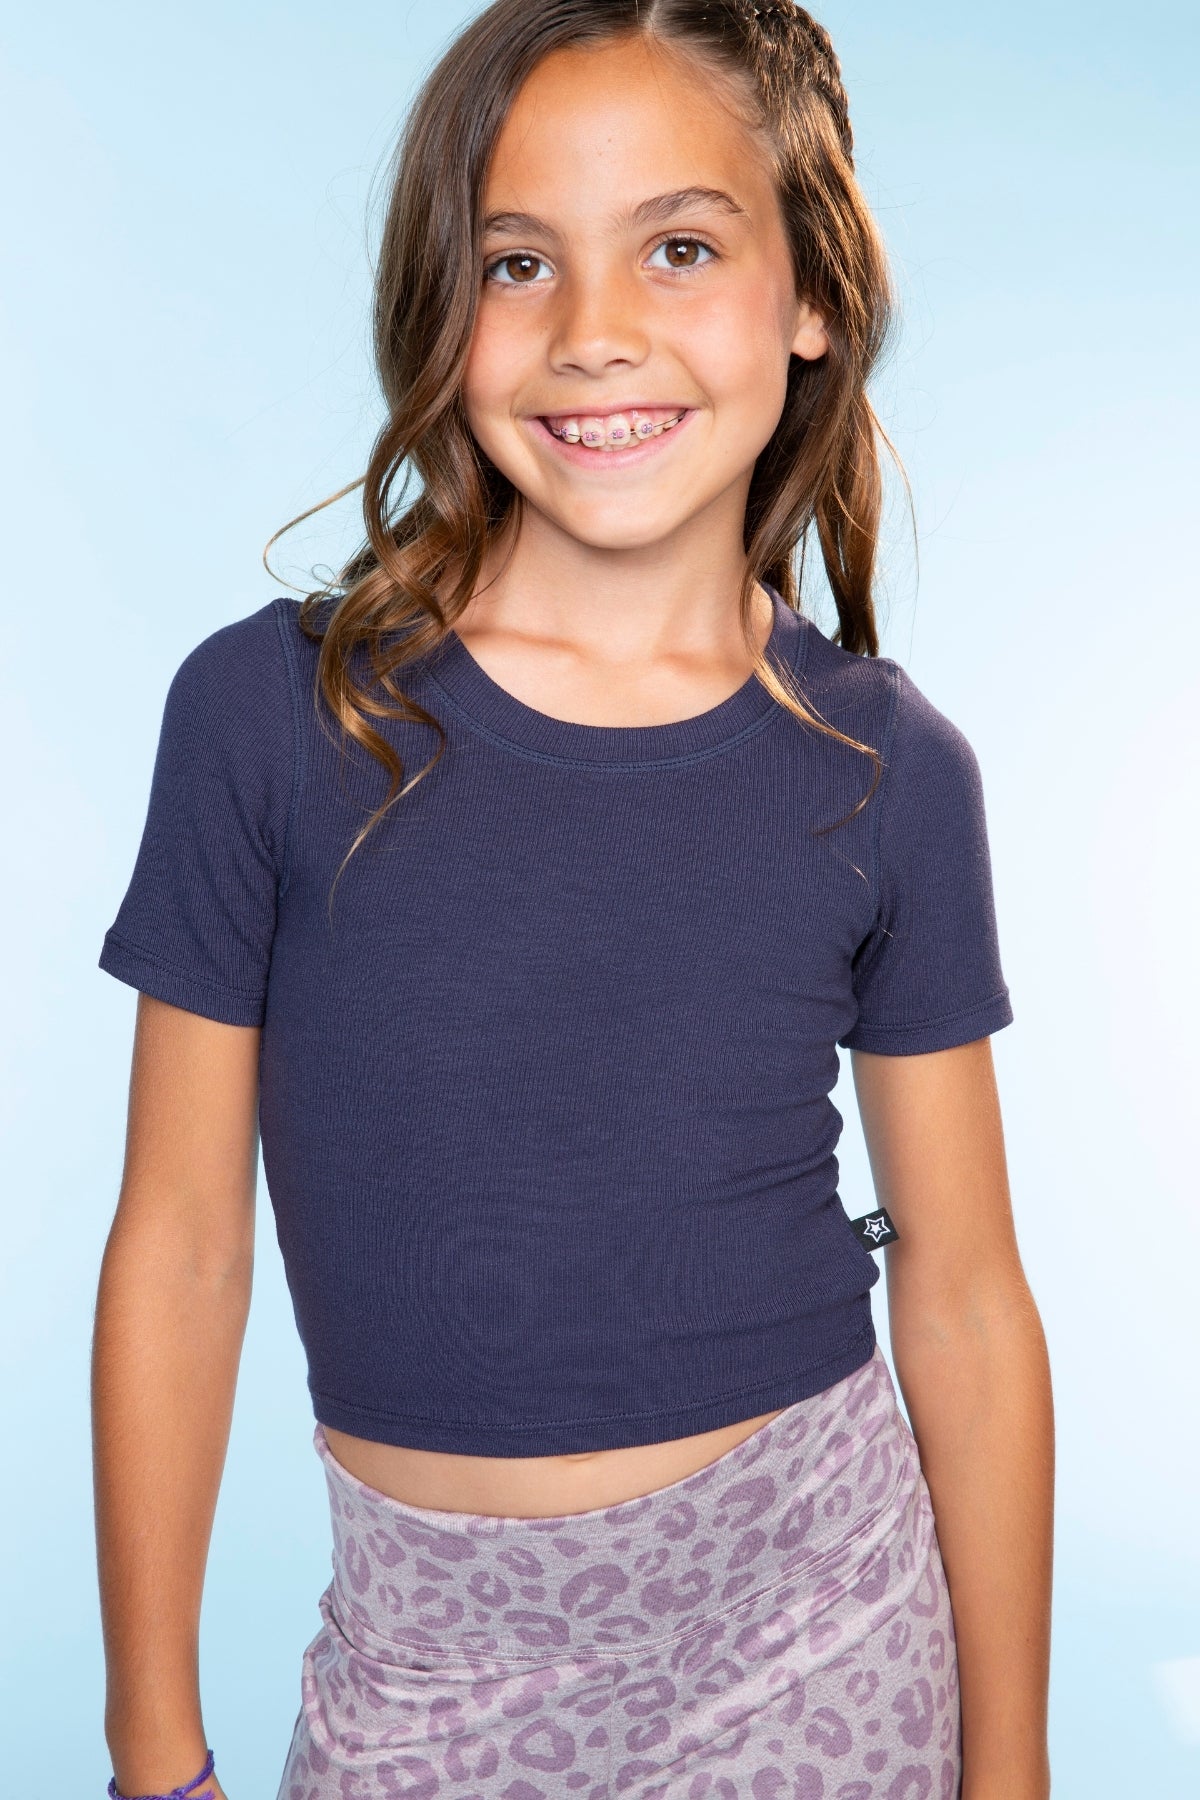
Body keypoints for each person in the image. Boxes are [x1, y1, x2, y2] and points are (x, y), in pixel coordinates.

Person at [91, 3, 1055, 1797]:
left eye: (679, 247)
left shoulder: (886, 767)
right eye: (517, 261)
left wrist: (1012, 1774)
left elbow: (970, 1295)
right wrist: (153, 1747)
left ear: (811, 294)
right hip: (425, 1673)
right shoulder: (278, 717)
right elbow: (182, 1244)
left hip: (821, 1628)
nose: (593, 330)